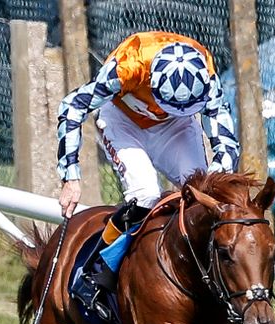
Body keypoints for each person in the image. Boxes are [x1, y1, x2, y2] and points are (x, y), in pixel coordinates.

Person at [56, 31, 240, 273]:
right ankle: (95, 269)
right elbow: (72, 106)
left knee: (202, 195)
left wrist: (217, 176)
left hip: (176, 124)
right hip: (122, 121)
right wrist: (70, 176)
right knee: (145, 195)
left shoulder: (205, 69)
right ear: (152, 82)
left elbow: (225, 139)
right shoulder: (128, 65)